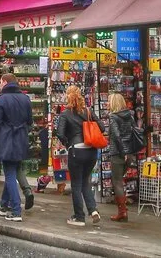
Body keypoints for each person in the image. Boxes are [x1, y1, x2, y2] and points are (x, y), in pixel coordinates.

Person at [0, 72, 32, 223]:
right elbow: (30, 121)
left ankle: (15, 210)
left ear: (5, 82)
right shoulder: (25, 99)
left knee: (9, 174)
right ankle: (3, 204)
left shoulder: (1, 99)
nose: (0, 85)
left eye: (1, 82)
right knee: (12, 172)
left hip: (6, 140)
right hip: (21, 140)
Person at [56, 85, 100, 227]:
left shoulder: (65, 114)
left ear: (67, 96)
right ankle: (93, 210)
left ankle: (79, 217)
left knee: (76, 184)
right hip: (91, 151)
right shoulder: (88, 111)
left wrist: (68, 143)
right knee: (85, 182)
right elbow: (103, 127)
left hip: (76, 151)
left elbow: (60, 133)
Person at [106, 92, 140, 222]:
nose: (107, 104)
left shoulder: (113, 117)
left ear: (114, 103)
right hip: (130, 152)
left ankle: (122, 211)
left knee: (117, 182)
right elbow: (135, 130)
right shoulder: (129, 115)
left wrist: (122, 152)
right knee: (120, 180)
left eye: (109, 101)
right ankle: (123, 209)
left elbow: (116, 135)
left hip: (118, 153)